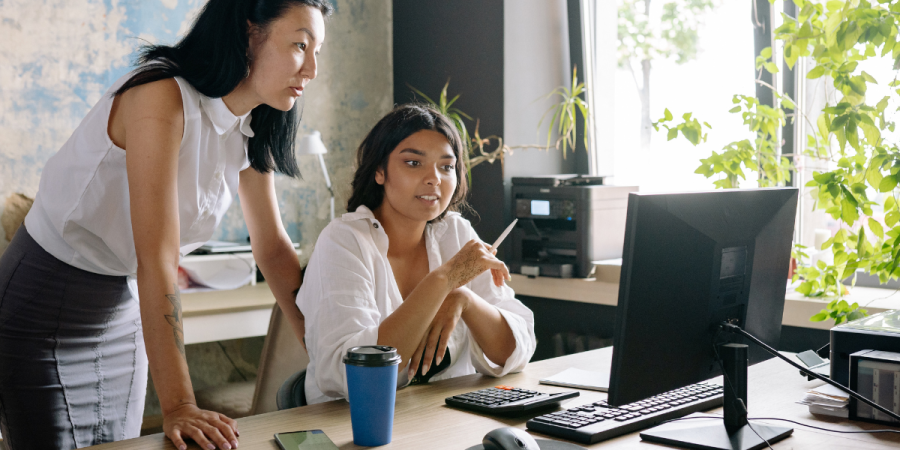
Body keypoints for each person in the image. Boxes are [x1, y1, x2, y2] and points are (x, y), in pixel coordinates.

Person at [0, 1, 332, 449]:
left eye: (318, 51)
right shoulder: (162, 94)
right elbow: (155, 256)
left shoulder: (257, 118)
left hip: (120, 308)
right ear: (248, 31)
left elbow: (271, 248)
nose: (311, 68)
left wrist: (328, 360)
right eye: (299, 45)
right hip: (45, 304)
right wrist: (179, 405)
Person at [297, 104, 537, 405]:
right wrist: (443, 280)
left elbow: (516, 351)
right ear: (379, 171)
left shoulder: (456, 233)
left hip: (439, 423)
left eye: (446, 166)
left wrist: (465, 299)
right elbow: (353, 376)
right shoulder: (344, 241)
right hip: (351, 424)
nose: (434, 178)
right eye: (413, 163)